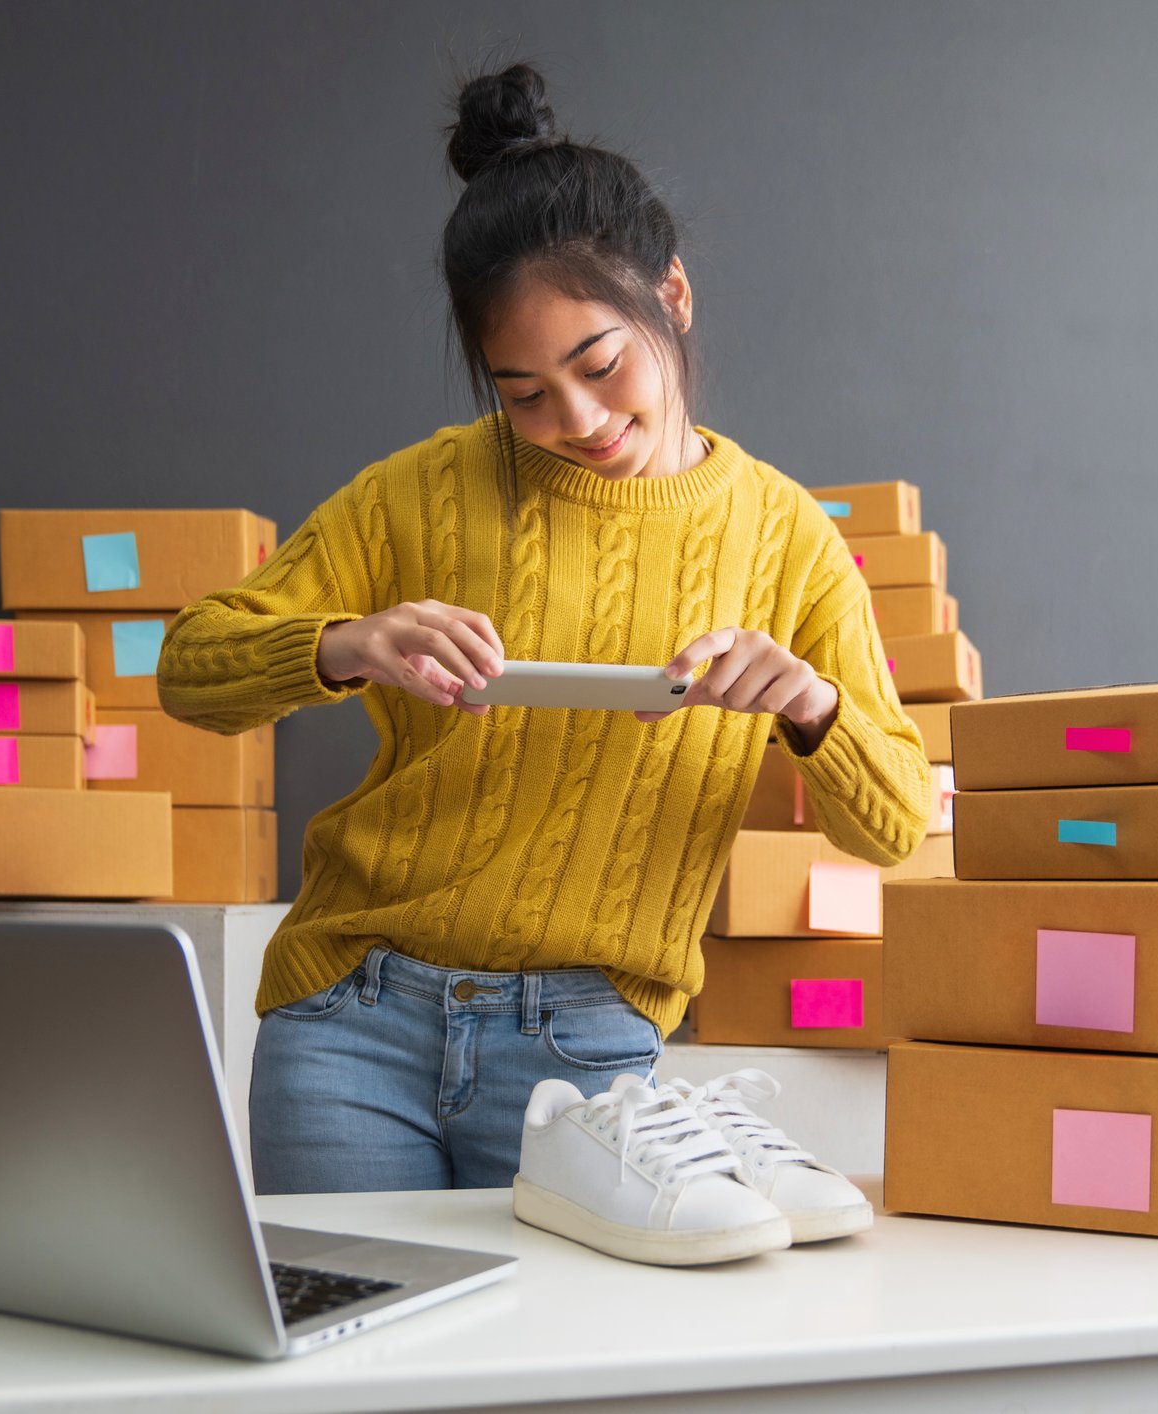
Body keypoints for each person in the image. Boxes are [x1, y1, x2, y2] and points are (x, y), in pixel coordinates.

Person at [158, 61, 931, 1195]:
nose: (575, 421)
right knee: (360, 1363)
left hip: (588, 1050)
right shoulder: (418, 490)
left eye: (599, 365)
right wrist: (346, 643)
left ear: (670, 296)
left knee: (552, 1375)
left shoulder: (786, 540)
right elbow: (188, 669)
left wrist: (808, 706)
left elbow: (897, 823)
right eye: (521, 393)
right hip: (349, 1016)